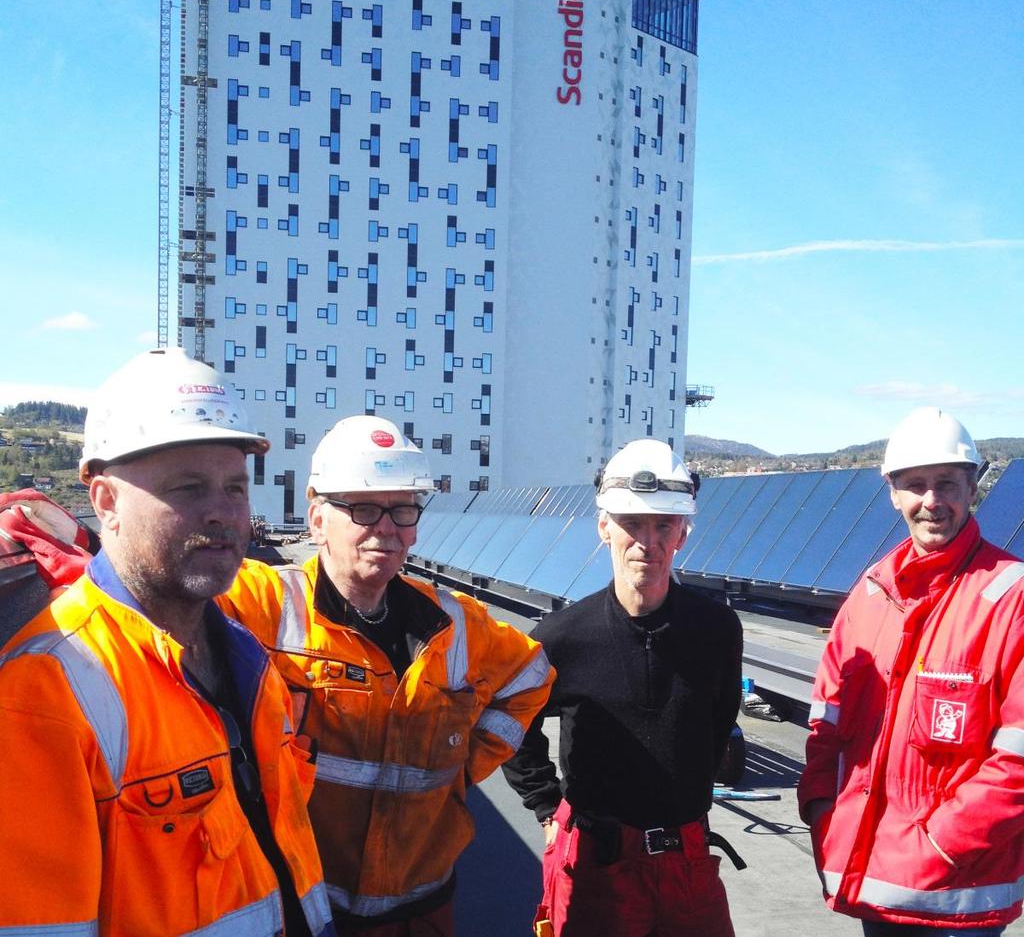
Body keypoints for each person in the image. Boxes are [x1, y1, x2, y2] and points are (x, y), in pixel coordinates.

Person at [0, 348, 333, 936]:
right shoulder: (45, 692)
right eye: (187, 488)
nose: (223, 514)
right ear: (106, 502)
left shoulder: (244, 652)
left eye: (235, 488)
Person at [219, 414, 554, 936]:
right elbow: (157, 604)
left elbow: (531, 676)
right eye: (364, 508)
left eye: (402, 509)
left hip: (422, 909)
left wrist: (465, 767)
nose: (386, 528)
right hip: (303, 908)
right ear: (316, 519)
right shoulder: (262, 604)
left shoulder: (455, 623)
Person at [503, 438, 743, 937]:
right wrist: (547, 806)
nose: (647, 542)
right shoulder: (562, 636)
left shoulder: (717, 628)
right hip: (597, 865)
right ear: (603, 528)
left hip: (688, 864)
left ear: (682, 533)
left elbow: (720, 719)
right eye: (631, 524)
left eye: (663, 525)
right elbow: (513, 725)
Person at [798, 407, 1024, 936]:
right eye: (915, 485)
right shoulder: (872, 593)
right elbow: (825, 722)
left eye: (947, 483)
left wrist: (938, 844)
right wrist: (820, 810)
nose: (932, 501)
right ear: (893, 493)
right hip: (875, 879)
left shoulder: (1011, 598)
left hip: (957, 896)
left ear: (974, 487)